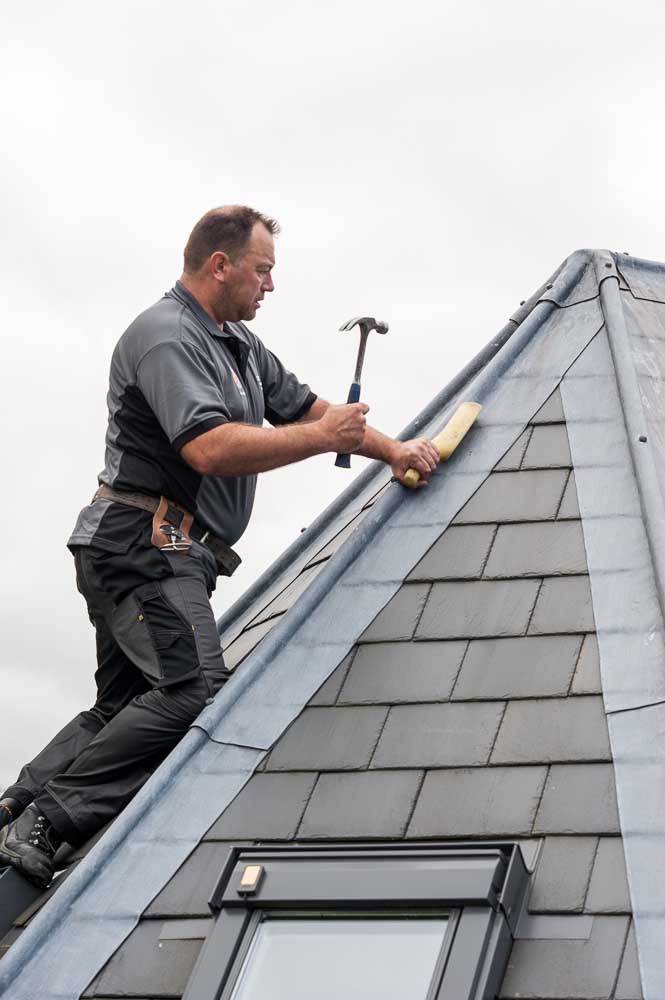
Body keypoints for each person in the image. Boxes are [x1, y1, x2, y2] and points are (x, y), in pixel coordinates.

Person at [0, 205, 440, 887]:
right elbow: (209, 447)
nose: (270, 285)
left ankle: (18, 806)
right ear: (220, 265)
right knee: (194, 689)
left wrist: (394, 452)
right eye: (262, 271)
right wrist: (325, 441)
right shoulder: (167, 336)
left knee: (125, 708)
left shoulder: (237, 344)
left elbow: (309, 411)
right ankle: (46, 824)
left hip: (157, 547)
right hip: (144, 544)